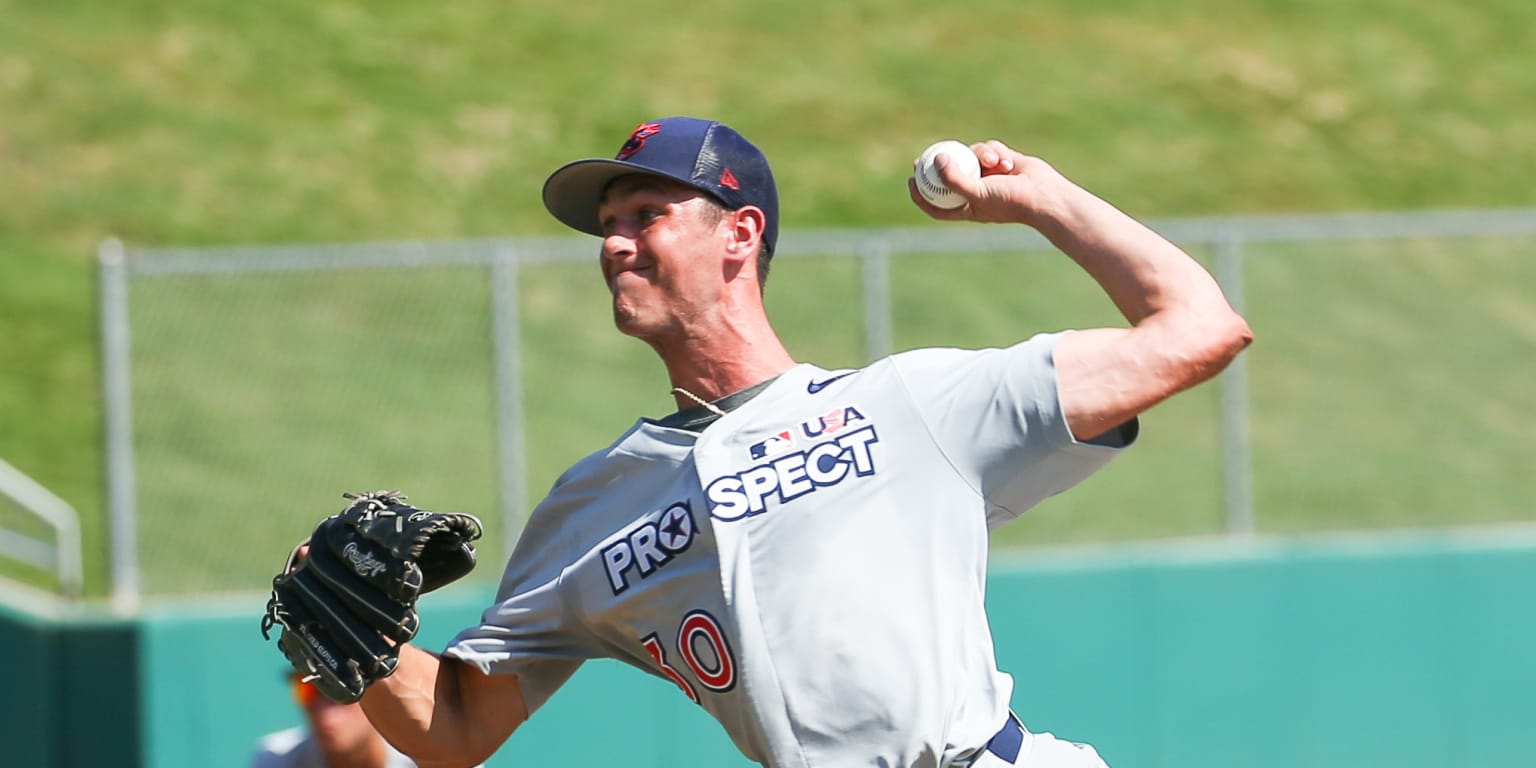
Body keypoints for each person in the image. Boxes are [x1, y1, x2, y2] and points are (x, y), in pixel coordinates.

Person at [356, 116, 1253, 767]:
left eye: (644, 215)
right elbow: (458, 728)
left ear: (739, 235)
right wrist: (359, 639)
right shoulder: (589, 507)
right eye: (608, 227)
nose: (614, 245)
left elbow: (1196, 329)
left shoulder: (910, 403)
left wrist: (1042, 198)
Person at [251, 672, 420, 768]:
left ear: (378, 695)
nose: (325, 711)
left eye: (343, 691)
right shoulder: (275, 760)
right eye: (308, 689)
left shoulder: (421, 761)